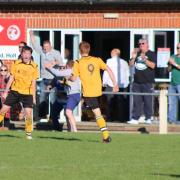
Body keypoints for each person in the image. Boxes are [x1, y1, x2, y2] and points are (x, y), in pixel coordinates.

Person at [70, 41, 119, 143]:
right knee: (95, 111)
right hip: (98, 91)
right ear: (89, 49)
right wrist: (115, 84)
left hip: (89, 93)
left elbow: (74, 78)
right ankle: (105, 136)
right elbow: (109, 69)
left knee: (96, 113)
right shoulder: (97, 60)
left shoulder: (78, 62)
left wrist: (67, 78)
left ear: (80, 51)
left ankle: (106, 136)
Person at [0, 46, 39, 139]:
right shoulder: (16, 64)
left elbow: (34, 83)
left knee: (28, 114)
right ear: (21, 54)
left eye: (28, 54)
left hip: (27, 93)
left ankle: (28, 134)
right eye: (25, 53)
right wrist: (6, 92)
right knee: (3, 110)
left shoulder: (34, 66)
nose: (26, 55)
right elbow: (11, 79)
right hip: (15, 91)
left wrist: (33, 97)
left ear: (30, 55)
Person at [29, 30, 63, 119]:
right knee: (42, 99)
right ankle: (42, 117)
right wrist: (31, 35)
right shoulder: (42, 51)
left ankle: (54, 117)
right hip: (44, 79)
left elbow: (61, 64)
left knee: (53, 100)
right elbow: (35, 45)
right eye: (44, 47)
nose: (45, 49)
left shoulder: (56, 53)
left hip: (53, 80)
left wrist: (53, 63)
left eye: (47, 47)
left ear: (50, 46)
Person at [45, 60, 81, 132]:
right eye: (60, 67)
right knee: (55, 113)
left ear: (66, 66)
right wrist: (50, 86)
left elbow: (57, 73)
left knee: (67, 114)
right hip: (60, 99)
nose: (61, 69)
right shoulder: (60, 76)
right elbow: (54, 79)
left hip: (68, 97)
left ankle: (71, 130)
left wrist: (50, 66)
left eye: (63, 67)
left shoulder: (69, 72)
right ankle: (57, 128)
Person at [127, 38, 157, 125]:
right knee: (137, 101)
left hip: (148, 81)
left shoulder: (151, 54)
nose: (141, 45)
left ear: (147, 45)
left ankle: (148, 118)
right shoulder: (137, 54)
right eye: (139, 44)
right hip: (137, 81)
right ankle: (135, 118)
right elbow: (130, 65)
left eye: (143, 44)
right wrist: (133, 57)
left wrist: (144, 59)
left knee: (148, 100)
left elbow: (153, 66)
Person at [103, 48, 130, 121]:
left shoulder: (109, 61)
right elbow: (128, 74)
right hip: (123, 85)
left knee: (109, 102)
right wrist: (127, 84)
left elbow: (106, 72)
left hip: (111, 84)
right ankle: (121, 119)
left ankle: (109, 118)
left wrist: (104, 83)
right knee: (121, 103)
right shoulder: (124, 62)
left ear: (113, 54)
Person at [168, 43, 180, 124]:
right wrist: (169, 64)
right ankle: (172, 120)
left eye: (179, 47)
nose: (178, 49)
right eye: (177, 47)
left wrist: (174, 63)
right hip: (172, 83)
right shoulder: (173, 56)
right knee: (172, 102)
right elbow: (169, 70)